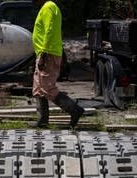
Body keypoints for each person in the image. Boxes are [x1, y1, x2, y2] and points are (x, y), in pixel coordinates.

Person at [31, 0, 84, 128]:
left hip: (48, 53)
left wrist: (43, 53)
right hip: (44, 52)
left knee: (47, 88)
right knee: (38, 88)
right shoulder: (47, 7)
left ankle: (75, 110)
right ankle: (42, 120)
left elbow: (49, 30)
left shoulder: (49, 7)